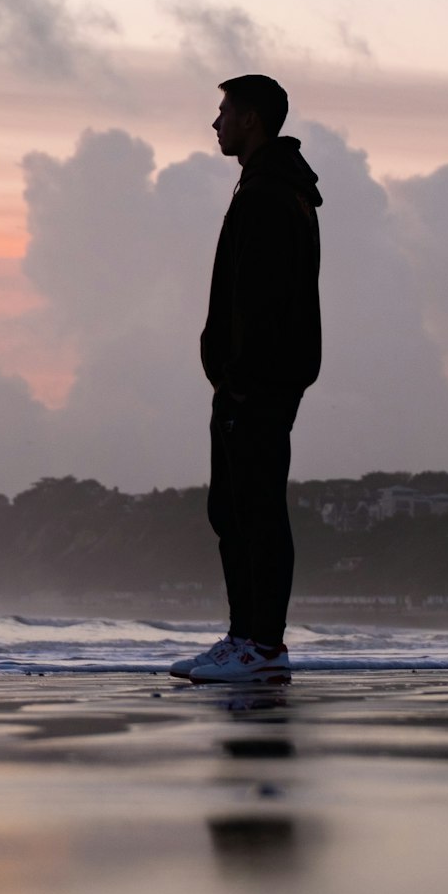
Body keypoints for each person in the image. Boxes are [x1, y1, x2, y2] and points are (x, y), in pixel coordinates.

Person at [171, 75, 322, 683]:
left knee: (251, 510)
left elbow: (257, 301)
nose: (216, 123)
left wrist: (234, 378)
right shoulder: (279, 189)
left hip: (255, 383)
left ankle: (260, 645)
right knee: (234, 510)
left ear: (252, 119)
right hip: (261, 379)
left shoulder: (266, 194)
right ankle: (246, 638)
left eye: (224, 111)